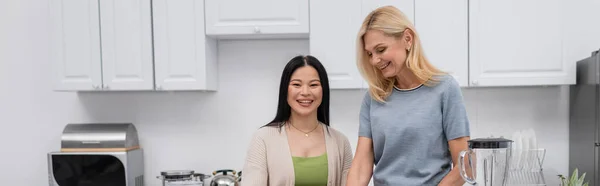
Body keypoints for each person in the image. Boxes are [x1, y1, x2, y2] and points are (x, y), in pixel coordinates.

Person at [346, 5, 471, 186]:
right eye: (369, 54)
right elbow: (360, 167)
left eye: (380, 50)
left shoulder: (445, 89)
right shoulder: (374, 98)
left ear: (407, 39)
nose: (374, 60)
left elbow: (465, 163)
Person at [241, 55, 353, 186]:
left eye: (314, 85)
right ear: (285, 90)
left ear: (324, 90)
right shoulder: (263, 139)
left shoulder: (340, 142)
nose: (305, 92)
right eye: (296, 84)